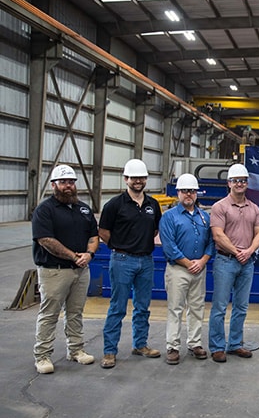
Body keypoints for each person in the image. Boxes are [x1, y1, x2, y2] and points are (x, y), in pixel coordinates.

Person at [31, 165, 99, 374]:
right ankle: (42, 356)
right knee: (49, 313)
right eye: (63, 182)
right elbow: (46, 240)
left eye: (71, 182)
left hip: (80, 270)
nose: (68, 186)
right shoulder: (45, 210)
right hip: (55, 271)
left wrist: (89, 254)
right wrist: (73, 256)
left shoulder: (83, 209)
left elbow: (93, 236)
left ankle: (76, 350)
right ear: (54, 185)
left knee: (75, 312)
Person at [98, 159, 162, 369]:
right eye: (134, 178)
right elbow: (104, 232)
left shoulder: (153, 204)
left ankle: (140, 344)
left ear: (146, 180)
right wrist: (121, 245)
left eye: (141, 178)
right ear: (126, 179)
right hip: (122, 260)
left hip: (146, 261)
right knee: (117, 307)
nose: (138, 181)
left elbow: (154, 230)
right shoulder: (114, 205)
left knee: (142, 307)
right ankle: (109, 351)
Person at [208, 164, 259, 363]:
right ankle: (216, 347)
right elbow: (217, 234)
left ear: (247, 183)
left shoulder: (254, 208)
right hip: (226, 261)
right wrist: (236, 251)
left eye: (243, 180)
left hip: (247, 262)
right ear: (229, 183)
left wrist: (248, 251)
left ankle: (235, 344)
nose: (239, 184)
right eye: (235, 180)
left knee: (241, 306)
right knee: (220, 307)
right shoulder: (219, 207)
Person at [159, 173, 215, 365]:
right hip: (178, 270)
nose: (188, 194)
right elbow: (169, 246)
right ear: (178, 193)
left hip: (199, 268)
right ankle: (172, 346)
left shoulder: (205, 217)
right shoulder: (169, 217)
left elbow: (210, 243)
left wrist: (202, 261)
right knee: (175, 308)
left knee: (197, 307)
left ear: (196, 193)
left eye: (192, 191)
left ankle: (195, 343)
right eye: (184, 191)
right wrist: (188, 263)